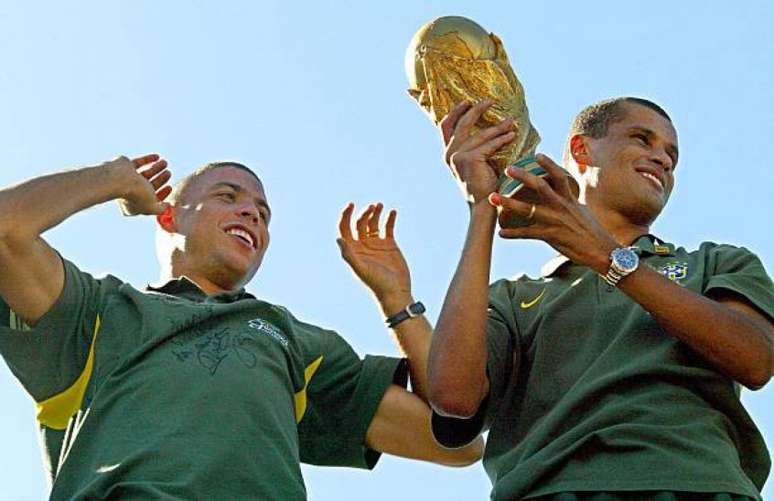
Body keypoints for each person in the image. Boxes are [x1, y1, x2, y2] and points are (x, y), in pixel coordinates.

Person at [0, 155, 482, 500]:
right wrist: (113, 178)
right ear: (169, 214)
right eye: (227, 196)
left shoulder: (292, 338)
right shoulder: (99, 310)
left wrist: (396, 301)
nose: (252, 212)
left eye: (263, 212)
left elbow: (456, 442)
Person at [426, 97, 773, 500]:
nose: (661, 159)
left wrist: (610, 259)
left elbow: (755, 359)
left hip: (695, 485)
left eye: (671, 156)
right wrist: (482, 205)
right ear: (581, 149)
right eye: (642, 140)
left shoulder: (715, 262)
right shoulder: (515, 297)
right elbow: (453, 397)